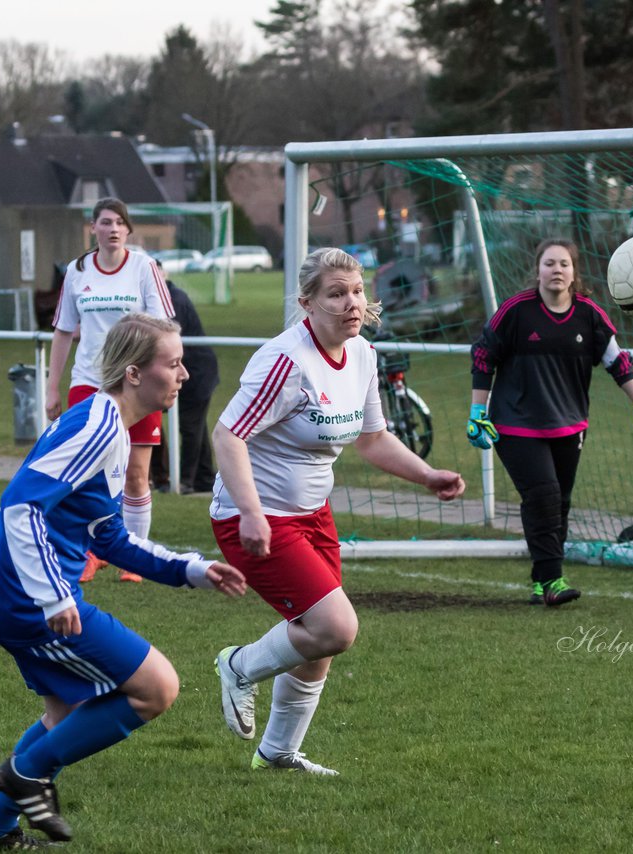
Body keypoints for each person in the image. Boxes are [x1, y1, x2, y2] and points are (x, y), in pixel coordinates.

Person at [0, 313, 246, 849]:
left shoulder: (109, 426)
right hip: (24, 590)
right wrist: (51, 594)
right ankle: (26, 775)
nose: (184, 374)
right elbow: (21, 507)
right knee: (156, 688)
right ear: (135, 374)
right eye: (173, 363)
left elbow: (109, 537)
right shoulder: (97, 426)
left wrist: (189, 569)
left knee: (66, 713)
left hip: (9, 583)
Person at [210, 248, 465, 776]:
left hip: (312, 513)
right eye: (336, 293)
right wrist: (253, 512)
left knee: (317, 639)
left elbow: (373, 440)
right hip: (253, 516)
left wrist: (428, 475)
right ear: (307, 303)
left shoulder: (363, 355)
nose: (351, 303)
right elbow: (227, 434)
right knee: (335, 626)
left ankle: (278, 754)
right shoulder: (285, 361)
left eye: (356, 291)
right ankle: (238, 666)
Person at [467, 237, 633, 607]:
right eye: (549, 263)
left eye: (563, 264)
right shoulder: (516, 311)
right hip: (515, 423)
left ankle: (540, 579)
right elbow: (483, 354)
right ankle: (554, 580)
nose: (556, 270)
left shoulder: (589, 314)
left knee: (558, 503)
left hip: (569, 424)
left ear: (574, 273)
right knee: (543, 495)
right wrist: (478, 410)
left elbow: (617, 361)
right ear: (538, 270)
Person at [46, 198, 174, 583]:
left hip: (138, 383)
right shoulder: (77, 270)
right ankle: (91, 552)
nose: (114, 228)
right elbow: (64, 331)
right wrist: (53, 386)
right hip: (89, 383)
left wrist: (164, 375)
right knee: (86, 475)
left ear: (128, 229)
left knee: (135, 474)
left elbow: (165, 326)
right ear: (93, 228)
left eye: (121, 222)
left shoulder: (143, 267)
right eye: (106, 222)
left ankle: (133, 558)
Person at [149, 280, 219, 493]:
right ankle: (205, 478)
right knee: (197, 427)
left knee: (190, 427)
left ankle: (184, 481)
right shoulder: (166, 297)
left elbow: (166, 340)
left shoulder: (173, 300)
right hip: (192, 372)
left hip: (197, 375)